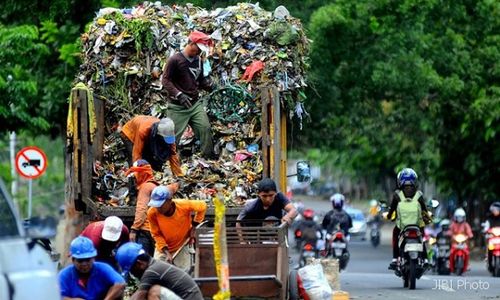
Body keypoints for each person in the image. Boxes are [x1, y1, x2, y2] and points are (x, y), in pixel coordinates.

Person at [162, 30, 215, 159]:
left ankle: (207, 158)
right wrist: (179, 94)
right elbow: (165, 80)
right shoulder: (175, 60)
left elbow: (199, 79)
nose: (198, 51)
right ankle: (166, 163)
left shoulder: (198, 60)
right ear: (191, 43)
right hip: (177, 107)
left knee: (205, 128)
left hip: (194, 104)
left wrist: (209, 85)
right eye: (197, 48)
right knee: (172, 138)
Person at [148, 185, 207, 271]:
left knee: (183, 276)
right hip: (163, 249)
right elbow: (156, 234)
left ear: (169, 201)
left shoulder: (183, 205)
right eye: (156, 205)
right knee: (157, 273)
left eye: (160, 205)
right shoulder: (152, 213)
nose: (158, 208)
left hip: (182, 245)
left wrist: (194, 226)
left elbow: (203, 206)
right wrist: (167, 253)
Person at [116, 242, 203, 300]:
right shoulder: (156, 266)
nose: (132, 274)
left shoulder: (152, 271)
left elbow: (139, 297)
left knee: (154, 291)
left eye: (131, 270)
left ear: (139, 264)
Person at [386, 168, 432, 270]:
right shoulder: (419, 195)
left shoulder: (397, 195)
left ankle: (394, 258)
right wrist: (428, 218)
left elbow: (392, 210)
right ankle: (425, 259)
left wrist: (389, 216)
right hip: (417, 226)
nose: (409, 188)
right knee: (423, 238)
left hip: (402, 227)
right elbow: (424, 210)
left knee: (395, 234)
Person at [59, 236, 125, 300]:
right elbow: (57, 296)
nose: (84, 264)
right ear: (73, 260)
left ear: (93, 258)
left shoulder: (103, 268)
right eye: (80, 261)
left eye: (87, 260)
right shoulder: (64, 275)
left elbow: (120, 283)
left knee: (118, 293)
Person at [124, 159, 161, 256]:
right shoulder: (154, 185)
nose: (135, 177)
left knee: (142, 261)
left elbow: (142, 210)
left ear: (141, 173)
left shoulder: (145, 187)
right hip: (156, 229)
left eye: (136, 174)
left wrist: (134, 229)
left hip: (146, 230)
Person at [448, 208, 473, 273]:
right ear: (455, 217)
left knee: (467, 253)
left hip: (464, 243)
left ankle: (467, 265)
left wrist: (470, 235)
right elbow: (450, 231)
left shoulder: (466, 224)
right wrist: (450, 234)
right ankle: (450, 265)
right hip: (455, 243)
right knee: (451, 253)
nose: (459, 219)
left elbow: (469, 232)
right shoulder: (453, 224)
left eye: (461, 217)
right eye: (458, 217)